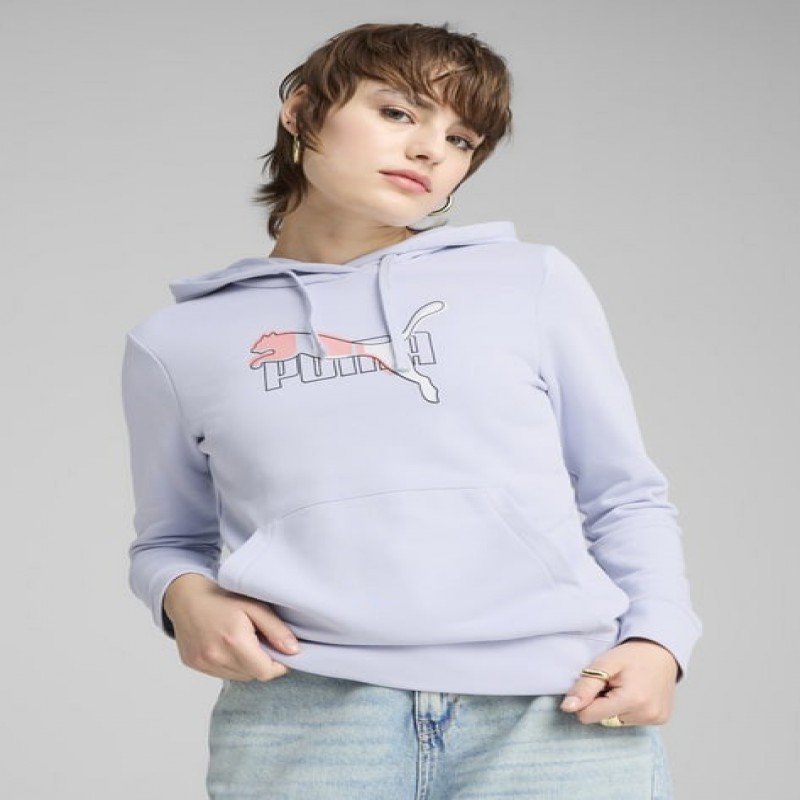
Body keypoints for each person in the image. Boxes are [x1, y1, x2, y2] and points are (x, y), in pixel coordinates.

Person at [121, 22, 702, 799]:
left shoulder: (528, 282)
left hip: (553, 713)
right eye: (398, 113)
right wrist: (181, 596)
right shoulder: (178, 340)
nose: (431, 150)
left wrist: (660, 641)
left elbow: (624, 492)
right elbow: (168, 541)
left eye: (461, 139)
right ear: (301, 111)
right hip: (306, 716)